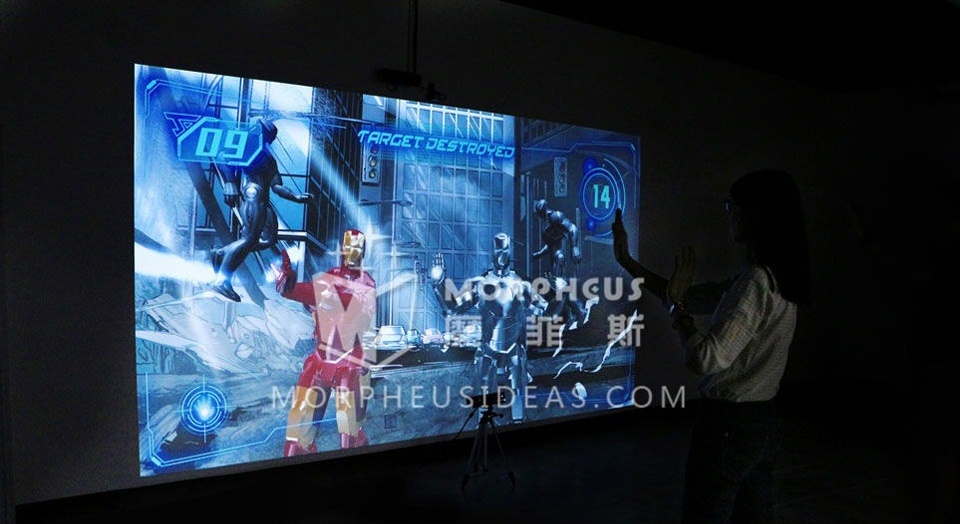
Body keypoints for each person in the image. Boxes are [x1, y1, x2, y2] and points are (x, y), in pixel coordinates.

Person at [612, 168, 811, 524]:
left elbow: (705, 358)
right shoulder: (777, 277)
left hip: (729, 426)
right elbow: (685, 295)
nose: (729, 215)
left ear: (755, 214)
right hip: (762, 421)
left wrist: (678, 311)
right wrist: (628, 262)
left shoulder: (755, 281)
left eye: (732, 206)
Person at [276, 229, 377, 454]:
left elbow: (359, 312)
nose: (352, 252)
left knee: (350, 436)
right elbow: (311, 292)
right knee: (296, 438)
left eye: (357, 248)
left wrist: (322, 295)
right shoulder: (329, 278)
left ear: (363, 252)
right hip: (320, 361)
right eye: (348, 247)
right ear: (342, 249)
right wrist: (289, 286)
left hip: (349, 361)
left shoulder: (367, 283)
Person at [430, 232, 547, 423]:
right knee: (484, 402)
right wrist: (438, 287)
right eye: (498, 249)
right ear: (492, 253)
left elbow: (545, 309)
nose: (501, 253)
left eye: (505, 249)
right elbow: (451, 311)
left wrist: (559, 294)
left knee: (517, 399)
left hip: (514, 349)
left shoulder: (521, 284)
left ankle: (518, 425)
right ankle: (485, 427)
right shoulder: (480, 284)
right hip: (488, 349)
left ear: (510, 252)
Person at [210, 117, 315, 302]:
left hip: (262, 203)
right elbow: (222, 156)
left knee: (269, 239)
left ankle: (223, 253)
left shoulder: (267, 158)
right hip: (252, 197)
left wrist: (296, 197)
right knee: (249, 239)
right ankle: (221, 280)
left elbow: (277, 186)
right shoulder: (246, 145)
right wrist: (229, 183)